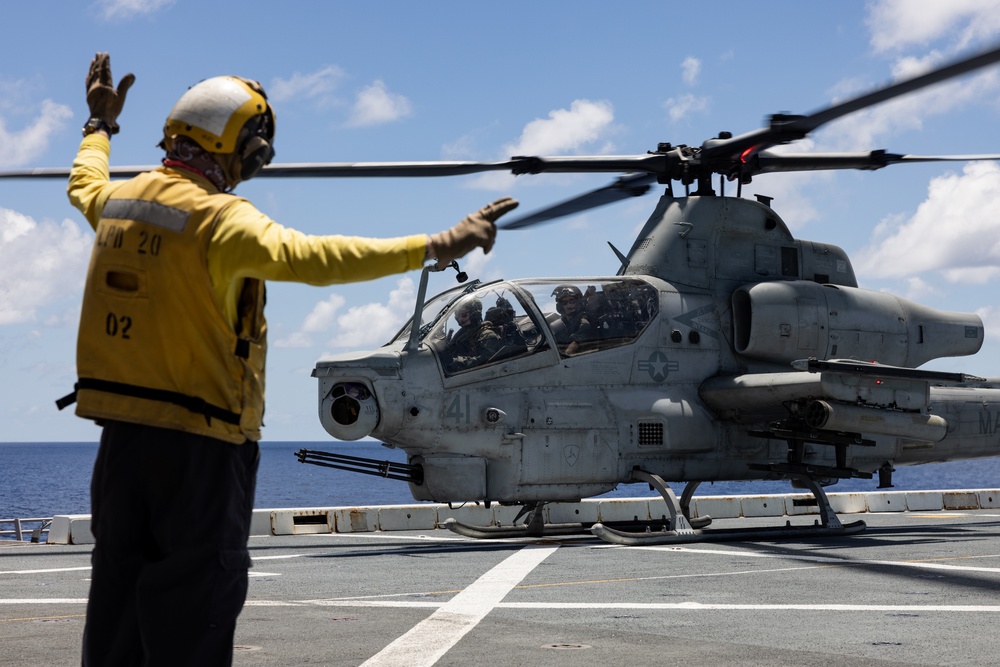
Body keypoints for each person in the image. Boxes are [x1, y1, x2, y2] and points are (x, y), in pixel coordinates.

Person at [65, 53, 517, 666]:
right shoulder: (220, 221)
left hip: (121, 450)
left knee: (117, 609)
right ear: (237, 148)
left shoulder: (117, 205)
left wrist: (99, 126)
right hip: (199, 453)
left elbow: (84, 182)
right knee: (193, 615)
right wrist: (439, 244)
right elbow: (317, 257)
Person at [443, 295, 501, 372]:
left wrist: (460, 363)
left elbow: (487, 360)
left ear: (475, 314)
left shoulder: (486, 334)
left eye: (464, 315)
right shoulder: (462, 337)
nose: (460, 320)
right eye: (457, 317)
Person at [550, 284, 595, 355]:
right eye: (564, 303)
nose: (569, 305)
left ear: (578, 302)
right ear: (560, 306)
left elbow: (575, 343)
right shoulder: (563, 322)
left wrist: (566, 354)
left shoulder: (584, 322)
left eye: (572, 301)